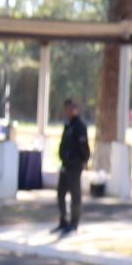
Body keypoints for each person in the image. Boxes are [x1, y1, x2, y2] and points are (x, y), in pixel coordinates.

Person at [53, 97, 90, 234]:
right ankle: (63, 220)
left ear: (75, 109)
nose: (67, 111)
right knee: (61, 193)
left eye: (70, 108)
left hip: (75, 165)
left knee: (75, 194)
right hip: (65, 164)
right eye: (66, 109)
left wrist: (85, 160)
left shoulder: (80, 126)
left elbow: (84, 145)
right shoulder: (68, 124)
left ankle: (74, 223)